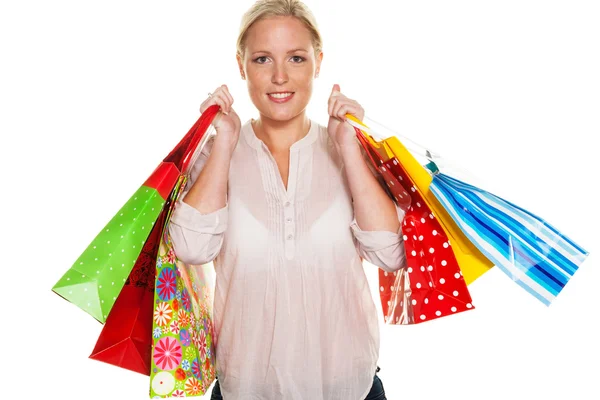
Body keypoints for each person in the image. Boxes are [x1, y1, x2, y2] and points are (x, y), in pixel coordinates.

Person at [168, 1, 407, 398]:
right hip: (245, 389)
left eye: (296, 58)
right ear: (242, 65)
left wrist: (349, 147)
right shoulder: (216, 154)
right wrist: (224, 140)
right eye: (263, 59)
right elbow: (192, 248)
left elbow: (390, 254)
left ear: (318, 62)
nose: (279, 76)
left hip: (350, 387)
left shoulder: (349, 149)